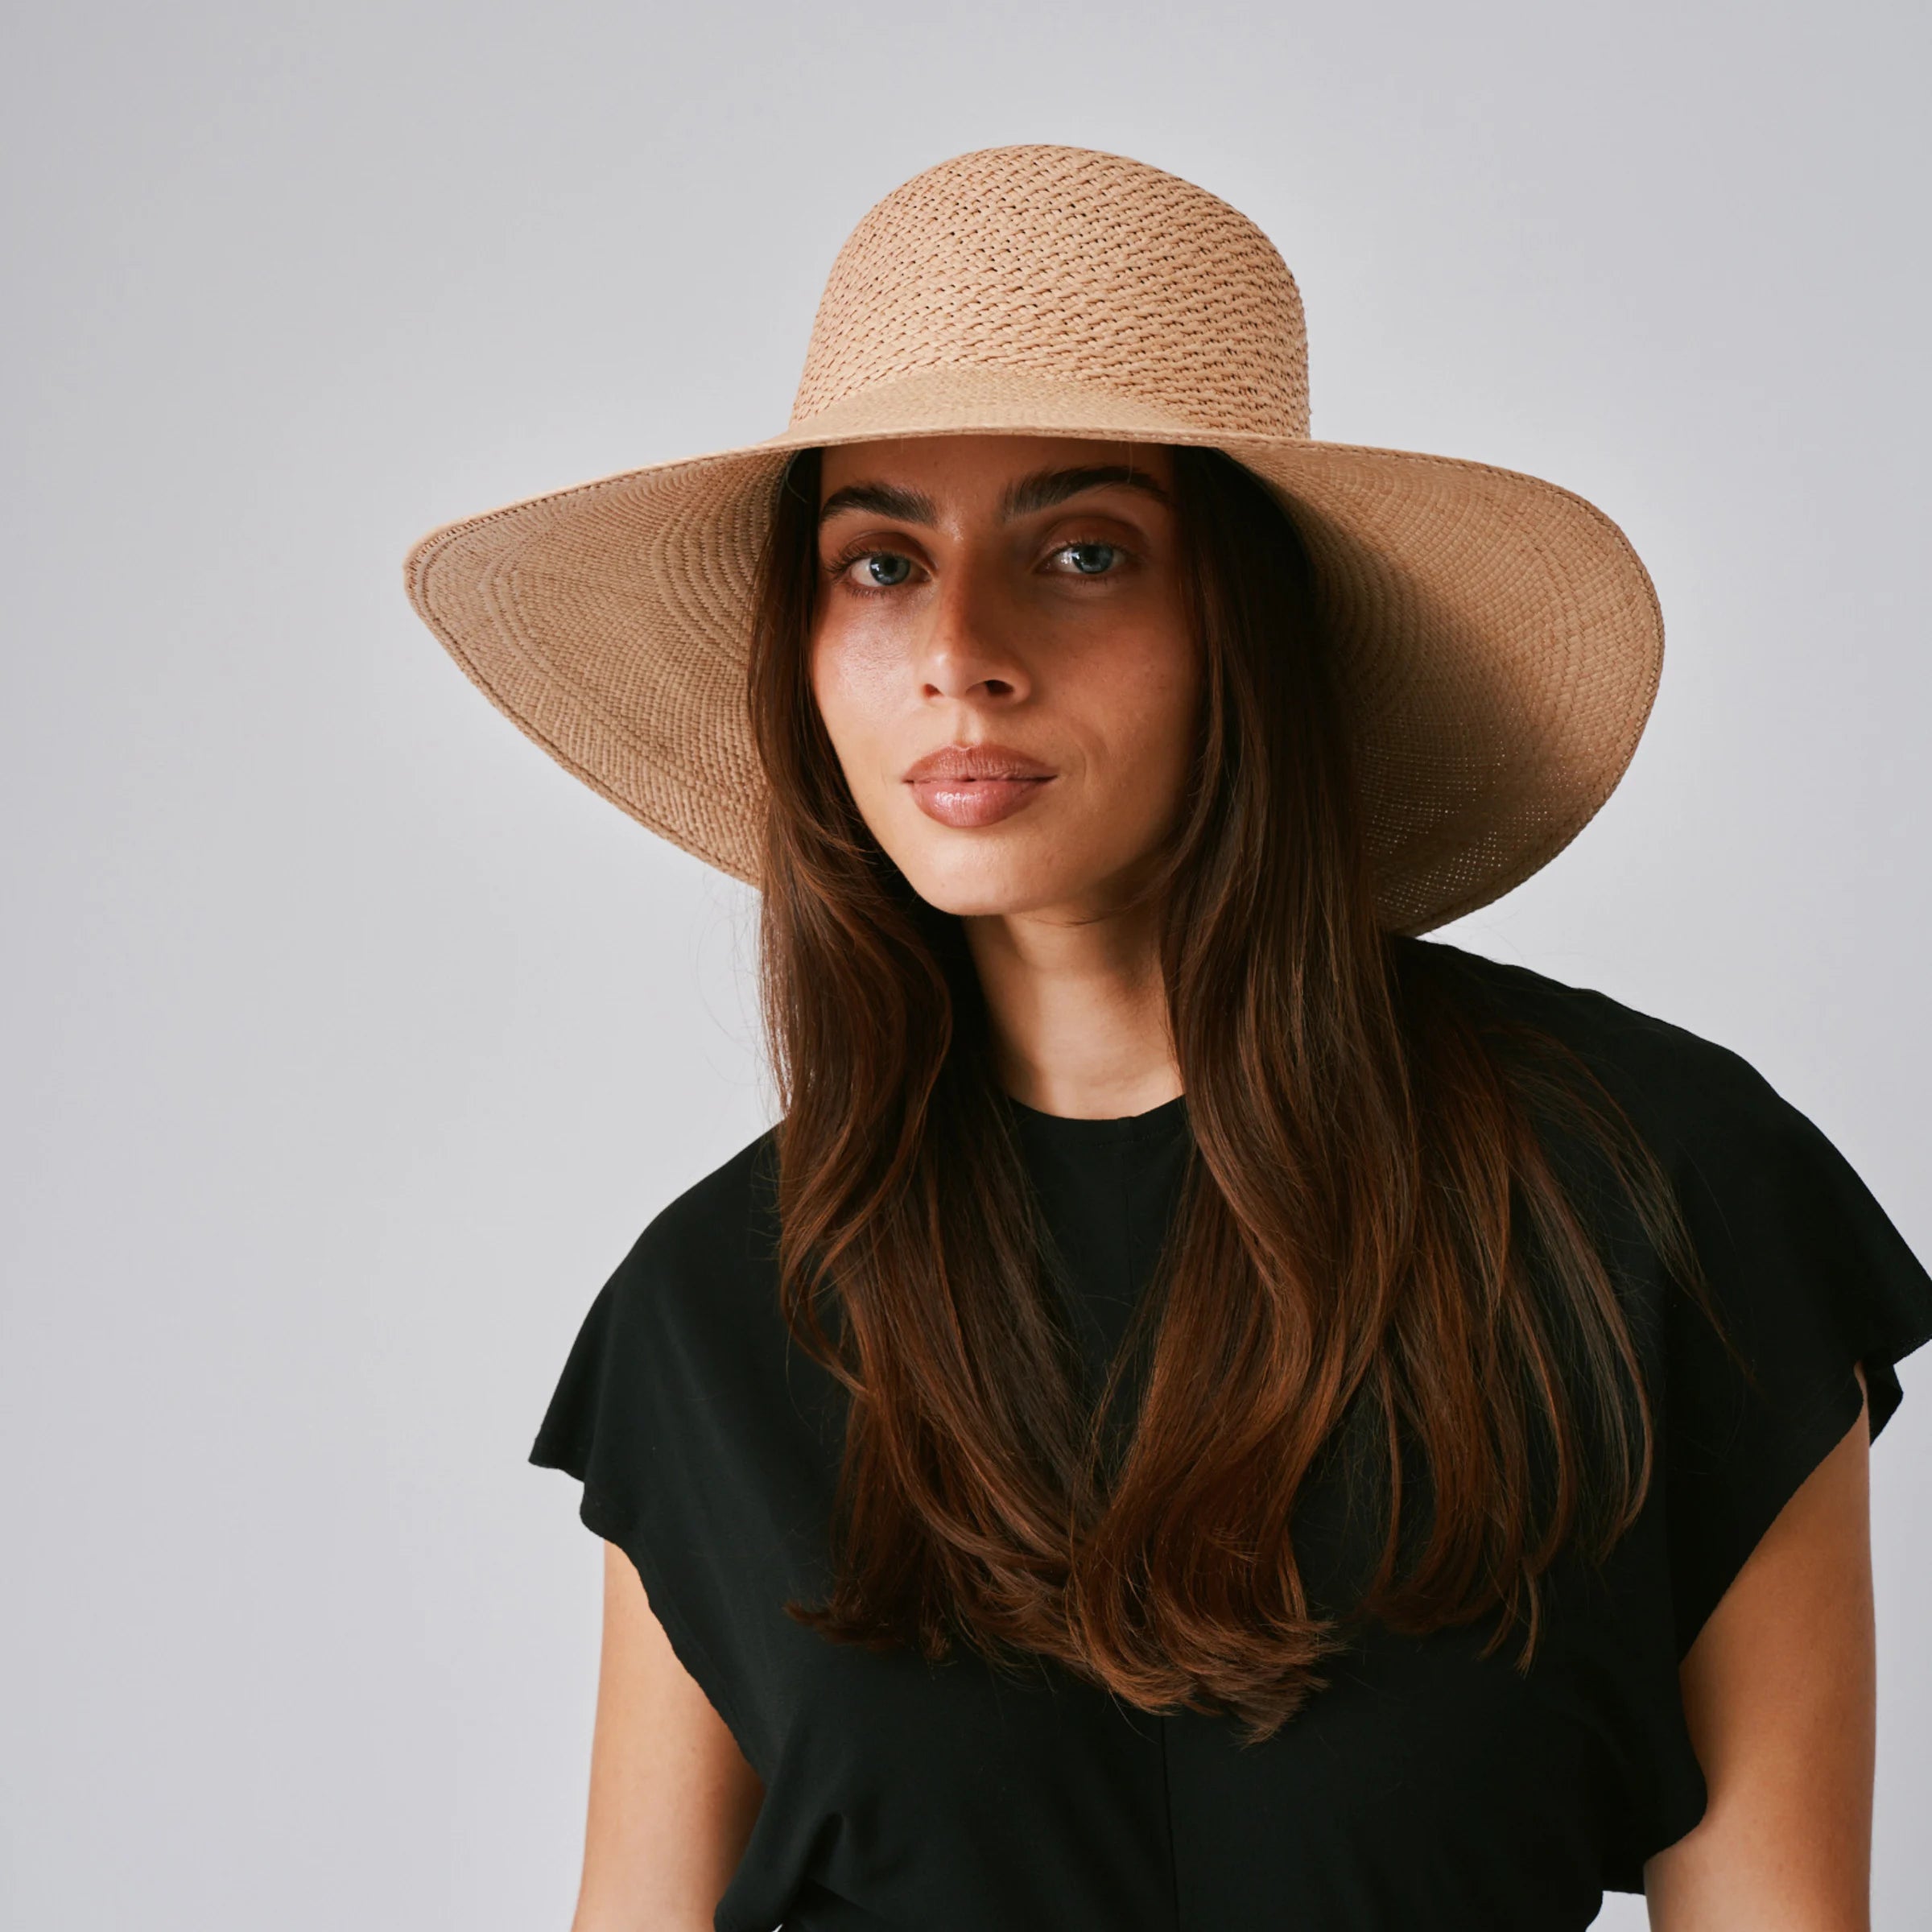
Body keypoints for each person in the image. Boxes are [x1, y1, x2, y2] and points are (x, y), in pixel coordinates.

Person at [402, 147, 1932, 1932]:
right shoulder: (719, 1312)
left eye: (1082, 550)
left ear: (1245, 621)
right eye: (881, 561)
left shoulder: (1663, 1202)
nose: (961, 652)